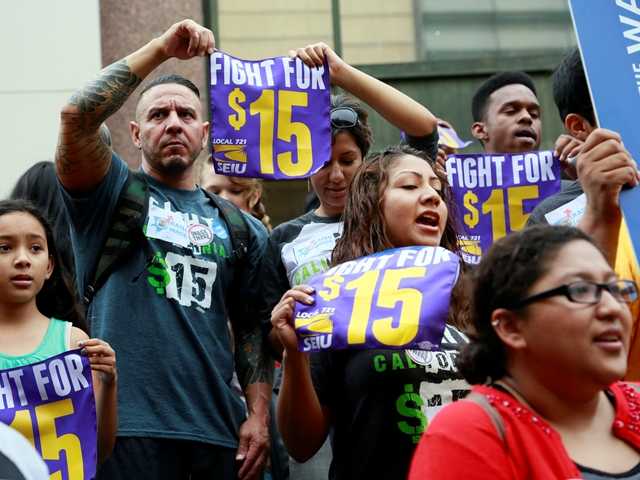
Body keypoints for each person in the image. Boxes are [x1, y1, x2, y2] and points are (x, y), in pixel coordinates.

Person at [55, 19, 270, 479]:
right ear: (134, 133)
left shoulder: (244, 228)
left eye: (186, 114)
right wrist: (162, 49)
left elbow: (253, 329)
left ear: (206, 131)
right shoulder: (107, 195)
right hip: (125, 431)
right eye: (157, 115)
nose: (173, 122)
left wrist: (259, 416)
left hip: (218, 433)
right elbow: (76, 115)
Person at [259, 42, 439, 479]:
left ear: (368, 165)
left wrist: (340, 74)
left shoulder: (391, 219)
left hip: (390, 373)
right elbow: (263, 332)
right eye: (322, 162)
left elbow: (423, 131)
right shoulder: (285, 237)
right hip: (318, 383)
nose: (335, 175)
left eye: (348, 160)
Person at [271, 146, 470, 480]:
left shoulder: (469, 293)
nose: (432, 197)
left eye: (436, 189)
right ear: (370, 206)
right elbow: (301, 445)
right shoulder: (334, 298)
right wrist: (294, 352)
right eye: (410, 186)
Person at [408, 225, 640, 479]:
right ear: (510, 327)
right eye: (580, 290)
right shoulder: (465, 434)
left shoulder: (636, 401)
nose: (613, 309)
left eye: (615, 289)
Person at [0, 199, 117, 465]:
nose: (22, 260)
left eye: (35, 248)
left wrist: (109, 383)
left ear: (50, 266)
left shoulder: (74, 343)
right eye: (5, 247)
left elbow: (98, 448)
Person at [470, 71, 542, 154]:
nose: (527, 117)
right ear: (480, 131)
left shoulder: (560, 164)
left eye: (534, 114)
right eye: (510, 111)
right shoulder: (454, 166)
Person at [199, 156, 272, 231]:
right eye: (214, 193)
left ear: (254, 196)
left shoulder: (268, 241)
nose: (224, 198)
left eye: (235, 191)